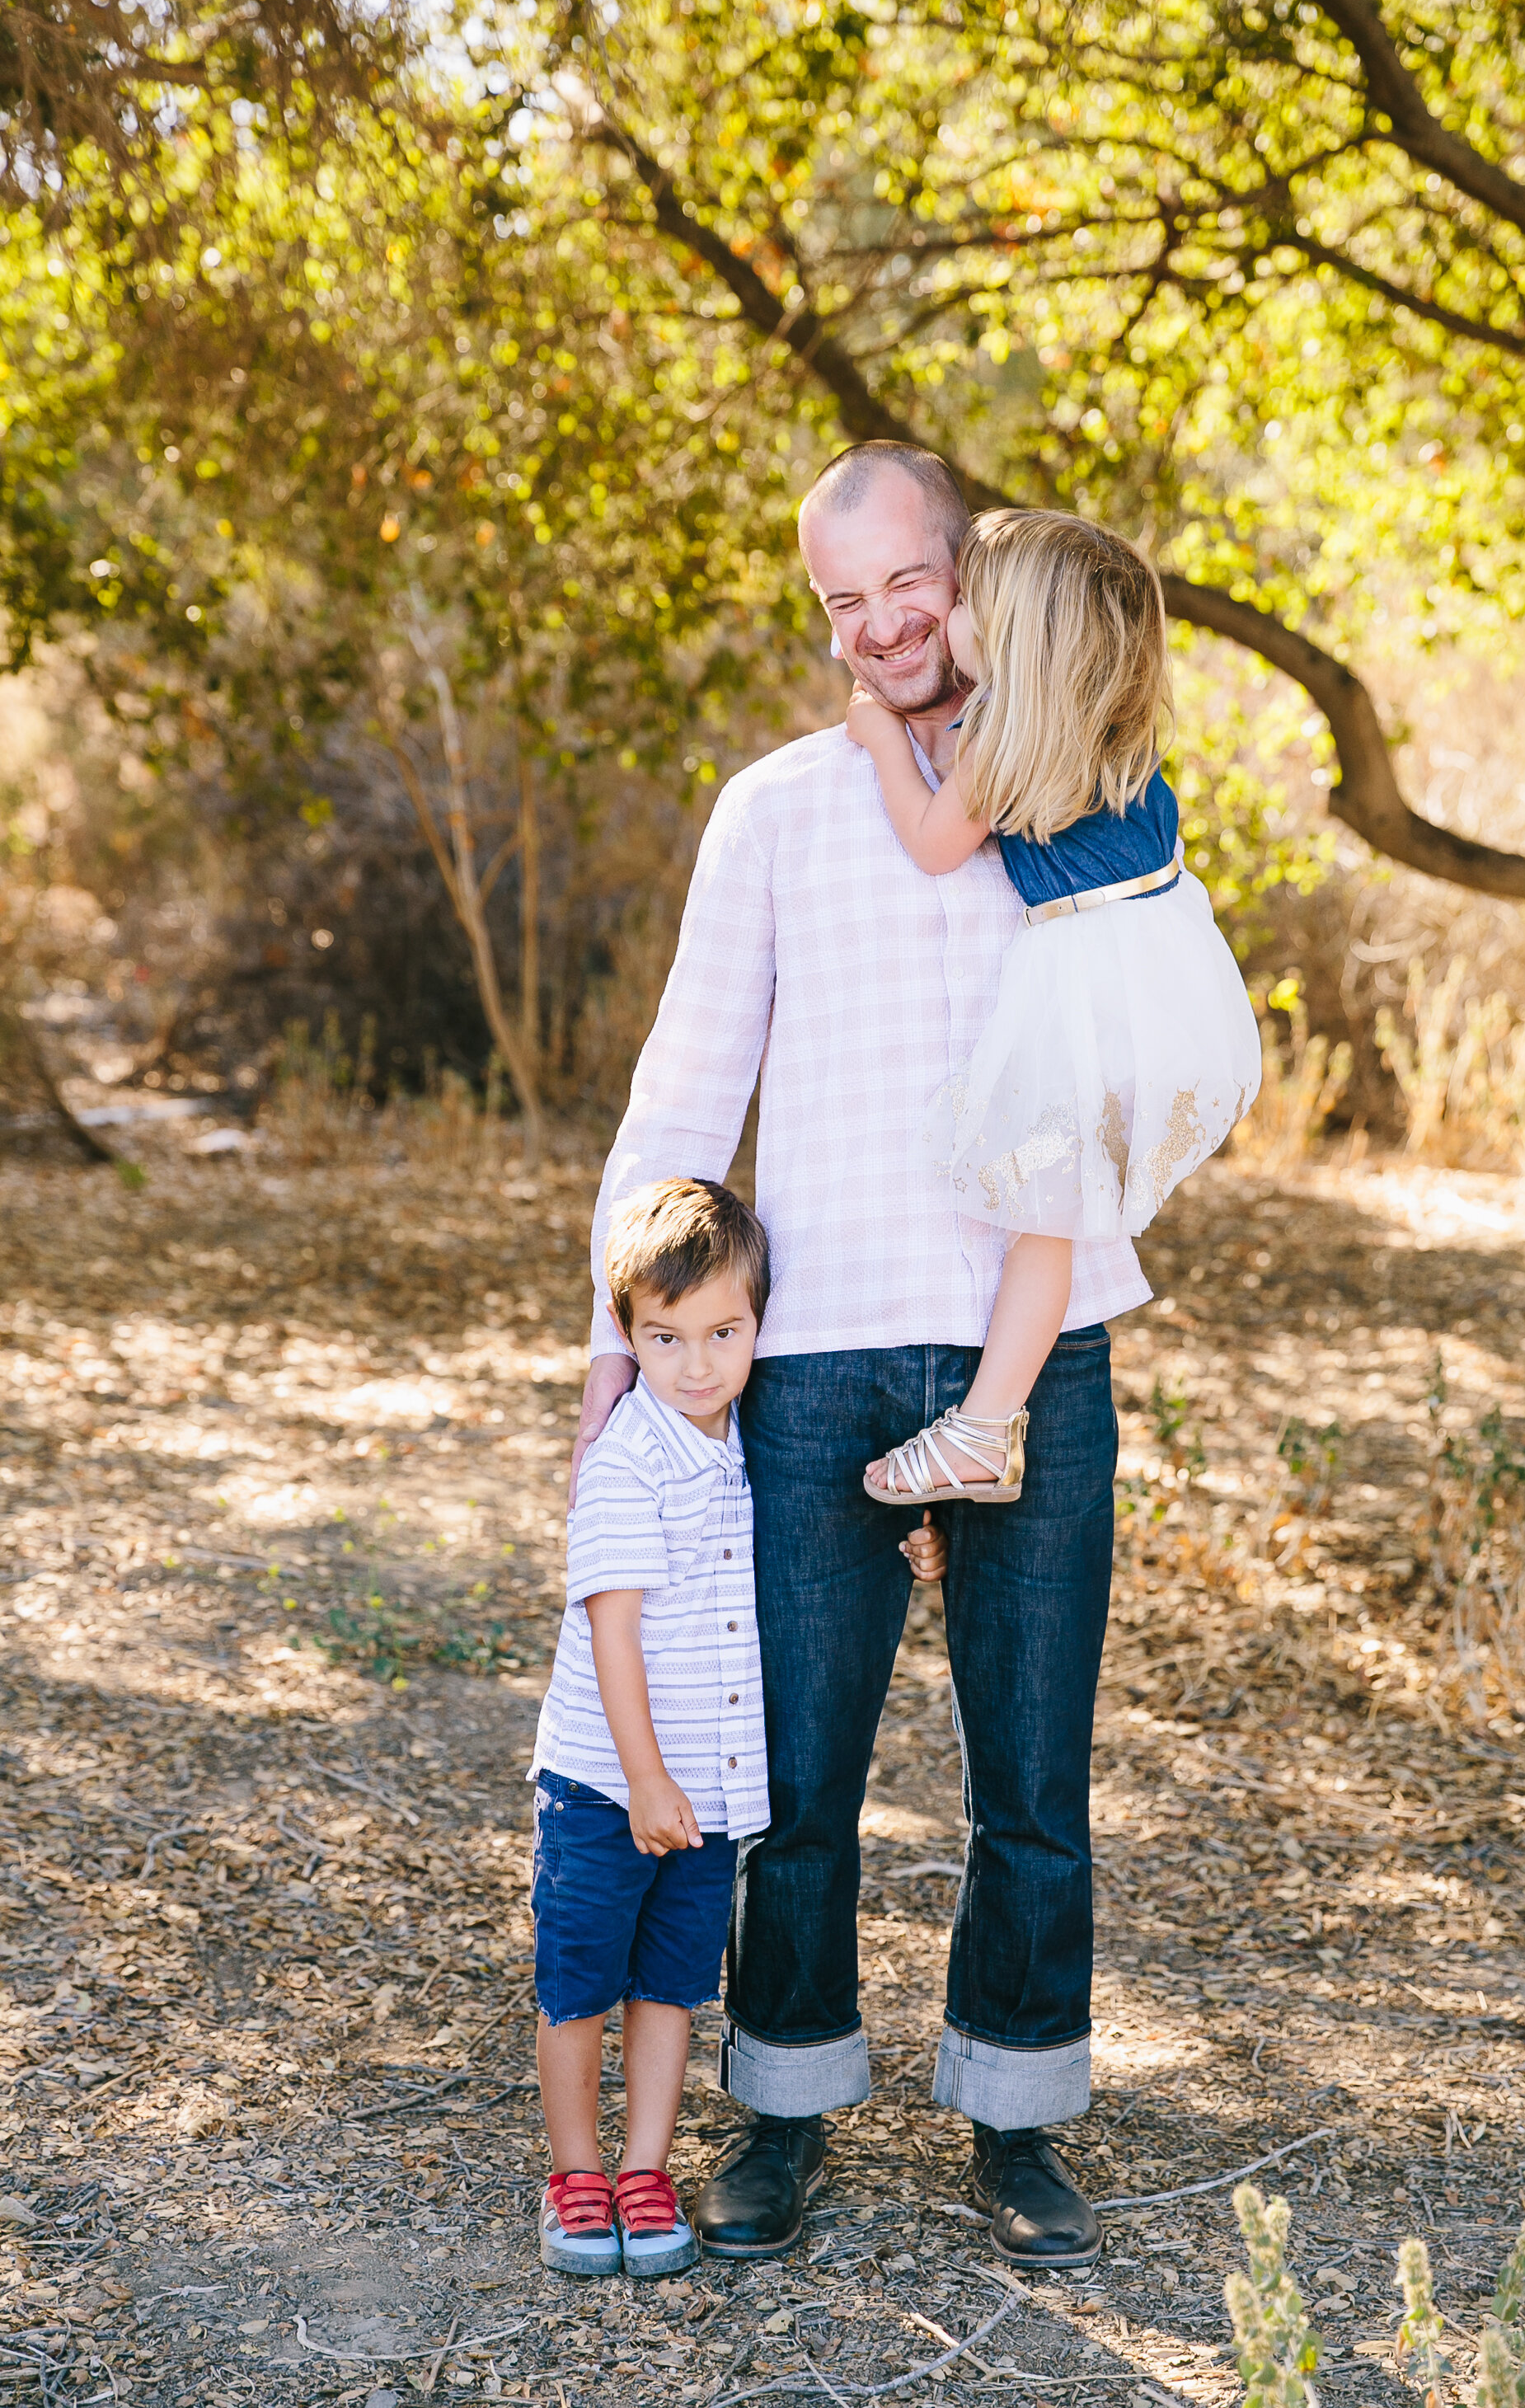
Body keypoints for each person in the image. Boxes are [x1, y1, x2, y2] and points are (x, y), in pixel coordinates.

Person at [573, 442, 1152, 2270]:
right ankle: (791, 2107)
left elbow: (1131, 1030)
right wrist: (599, 1366)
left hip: (1029, 1353)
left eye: (905, 583)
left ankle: (1019, 2112)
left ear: (968, 567)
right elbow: (685, 1087)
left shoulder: (1071, 781)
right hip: (807, 1355)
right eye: (842, 603)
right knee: (797, 1779)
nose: (883, 624)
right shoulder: (770, 810)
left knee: (1032, 1777)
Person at [850, 509, 1260, 1508]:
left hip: (1087, 992)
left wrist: (880, 742)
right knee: (1051, 1227)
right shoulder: (1103, 729)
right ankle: (982, 1429)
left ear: (1000, 636)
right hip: (1164, 991)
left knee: (1042, 1223)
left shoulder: (1002, 744)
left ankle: (983, 1430)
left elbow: (935, 841)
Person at [531, 1177, 770, 2281]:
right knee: (582, 1981)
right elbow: (612, 1631)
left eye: (724, 1332)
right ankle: (575, 2169)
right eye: (666, 1338)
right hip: (604, 1786)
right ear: (628, 1334)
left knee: (673, 1984)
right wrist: (644, 1780)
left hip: (705, 1794)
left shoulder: (740, 1448)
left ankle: (645, 2165)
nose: (698, 1363)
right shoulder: (629, 1456)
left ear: (758, 1323)